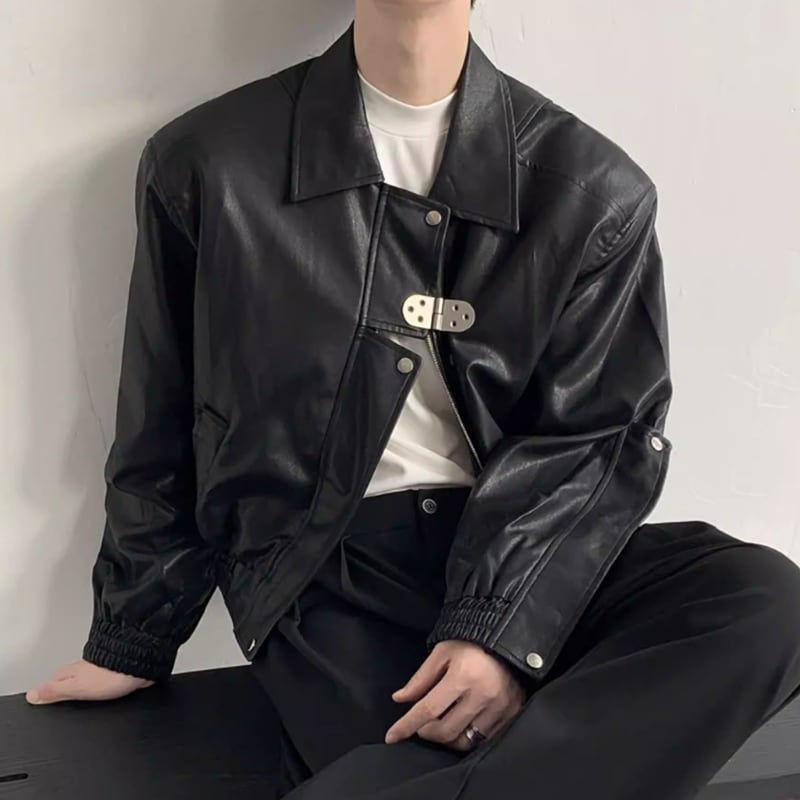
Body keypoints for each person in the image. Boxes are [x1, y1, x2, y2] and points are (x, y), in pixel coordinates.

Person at [26, 1, 800, 798]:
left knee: (761, 597)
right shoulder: (210, 163)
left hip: (528, 547)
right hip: (327, 571)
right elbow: (160, 416)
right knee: (422, 752)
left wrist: (499, 628)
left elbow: (596, 439)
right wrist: (132, 633)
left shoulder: (592, 187)